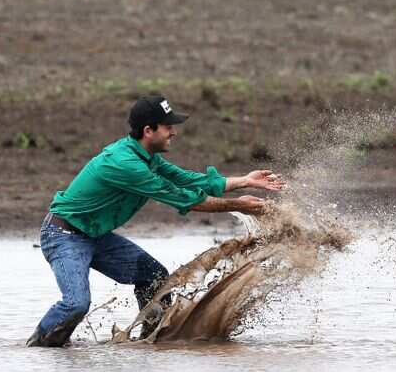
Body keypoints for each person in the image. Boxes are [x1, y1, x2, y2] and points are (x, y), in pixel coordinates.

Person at [27, 95, 285, 347]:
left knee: (155, 278)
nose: (174, 132)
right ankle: (38, 347)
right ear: (148, 130)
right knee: (76, 304)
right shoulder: (128, 165)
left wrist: (245, 181)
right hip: (64, 235)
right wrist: (242, 205)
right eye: (168, 127)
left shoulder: (146, 157)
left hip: (94, 235)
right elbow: (187, 199)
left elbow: (189, 180)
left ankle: (153, 343)